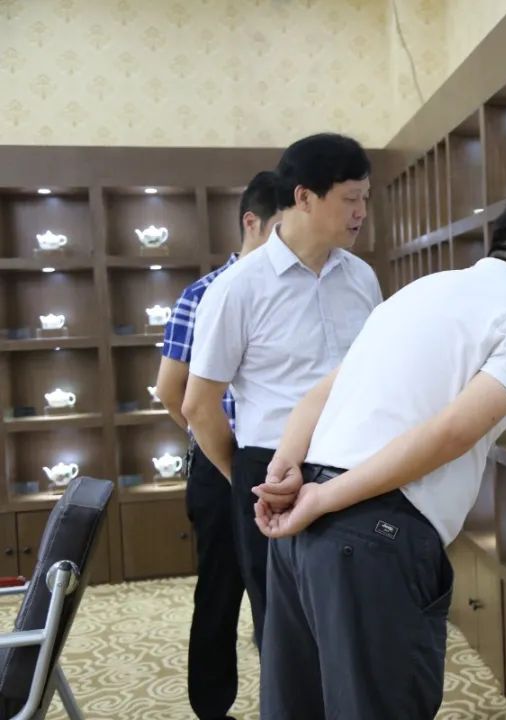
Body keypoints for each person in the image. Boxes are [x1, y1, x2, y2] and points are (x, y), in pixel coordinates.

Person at [251, 192, 506, 720]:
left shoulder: (419, 291)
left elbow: (319, 395)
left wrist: (287, 468)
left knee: (299, 707)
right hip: (369, 533)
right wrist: (324, 498)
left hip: (301, 529)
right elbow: (452, 431)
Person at [182, 133, 383, 653]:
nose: (361, 212)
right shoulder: (238, 288)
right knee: (286, 636)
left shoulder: (362, 278)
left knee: (357, 627)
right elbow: (198, 405)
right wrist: (245, 479)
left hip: (356, 467)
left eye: (365, 198)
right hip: (271, 473)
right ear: (304, 197)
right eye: (350, 198)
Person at [155, 170, 279, 720]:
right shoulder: (204, 292)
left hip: (282, 464)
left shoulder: (291, 290)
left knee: (281, 596)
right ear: (252, 223)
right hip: (220, 460)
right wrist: (227, 461)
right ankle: (211, 708)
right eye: (280, 229)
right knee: (220, 591)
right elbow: (171, 391)